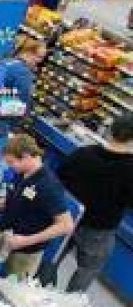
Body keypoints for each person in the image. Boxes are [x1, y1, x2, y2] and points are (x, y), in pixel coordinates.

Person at [50, 114, 133, 292]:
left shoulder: (84, 153)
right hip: (99, 231)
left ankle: (34, 291)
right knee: (86, 271)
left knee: (51, 258)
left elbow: (58, 179)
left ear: (110, 131)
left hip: (66, 218)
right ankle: (67, 305)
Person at [0, 135, 74, 280]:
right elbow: (14, 199)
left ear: (25, 156)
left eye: (11, 162)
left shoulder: (48, 185)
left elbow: (66, 225)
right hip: (6, 236)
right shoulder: (22, 173)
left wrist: (26, 240)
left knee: (8, 289)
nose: (9, 166)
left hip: (25, 253)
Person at [0, 37, 44, 106]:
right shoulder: (24, 73)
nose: (40, 61)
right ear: (29, 52)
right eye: (39, 57)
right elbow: (21, 102)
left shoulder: (6, 61)